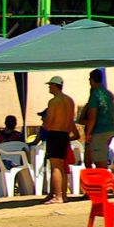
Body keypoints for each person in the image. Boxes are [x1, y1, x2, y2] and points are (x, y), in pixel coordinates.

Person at [40, 76, 77, 204]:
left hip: (55, 133)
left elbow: (50, 119)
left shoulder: (54, 101)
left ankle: (58, 196)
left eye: (50, 85)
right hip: (65, 134)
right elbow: (72, 119)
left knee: (55, 166)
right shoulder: (70, 100)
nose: (49, 88)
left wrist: (45, 126)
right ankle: (63, 195)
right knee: (61, 166)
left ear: (55, 86)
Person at [79, 69, 114, 171]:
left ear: (92, 80)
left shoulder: (95, 95)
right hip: (110, 129)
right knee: (101, 159)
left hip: (99, 131)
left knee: (100, 165)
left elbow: (92, 117)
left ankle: (102, 185)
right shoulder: (109, 94)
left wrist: (88, 134)